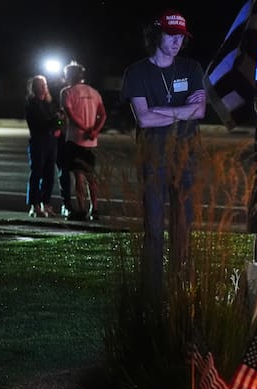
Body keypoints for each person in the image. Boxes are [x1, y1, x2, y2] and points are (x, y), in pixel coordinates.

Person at [120, 9, 206, 295]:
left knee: (184, 226)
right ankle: (153, 291)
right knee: (154, 227)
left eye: (181, 37)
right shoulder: (136, 72)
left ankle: (181, 287)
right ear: (157, 35)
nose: (177, 42)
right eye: (171, 35)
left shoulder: (191, 68)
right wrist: (182, 111)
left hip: (186, 157)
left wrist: (160, 110)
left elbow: (200, 110)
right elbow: (143, 119)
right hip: (153, 157)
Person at [60, 61, 107, 221]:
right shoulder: (94, 92)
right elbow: (103, 115)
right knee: (91, 177)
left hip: (75, 139)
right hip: (91, 142)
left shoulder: (67, 92)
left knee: (78, 176)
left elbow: (70, 114)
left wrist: (85, 129)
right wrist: (95, 130)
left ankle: (81, 209)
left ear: (69, 76)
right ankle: (95, 208)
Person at [24, 75, 62, 218]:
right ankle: (34, 205)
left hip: (51, 141)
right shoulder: (32, 104)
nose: (44, 87)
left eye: (45, 84)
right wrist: (55, 120)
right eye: (41, 85)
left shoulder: (49, 103)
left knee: (49, 174)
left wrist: (58, 126)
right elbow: (40, 123)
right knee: (36, 173)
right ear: (34, 87)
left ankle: (46, 203)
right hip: (38, 141)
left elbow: (58, 121)